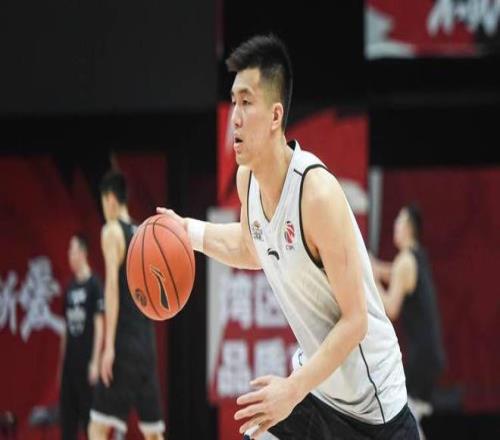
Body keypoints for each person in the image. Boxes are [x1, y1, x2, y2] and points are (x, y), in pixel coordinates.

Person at [157, 34, 418, 439]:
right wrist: (185, 231)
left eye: (247, 103)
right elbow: (250, 246)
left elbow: (356, 322)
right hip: (318, 389)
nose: (234, 117)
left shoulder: (317, 195)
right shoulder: (247, 181)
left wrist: (292, 390)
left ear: (275, 115)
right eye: (233, 102)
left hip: (373, 409)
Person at [88, 171, 165, 440]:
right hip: (147, 345)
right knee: (153, 432)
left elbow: (111, 286)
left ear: (110, 198)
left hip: (123, 343)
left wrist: (108, 346)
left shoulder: (111, 231)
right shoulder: (142, 232)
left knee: (97, 427)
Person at [371, 204, 445, 439]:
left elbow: (391, 308)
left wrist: (371, 279)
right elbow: (392, 272)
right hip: (429, 355)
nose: (395, 225)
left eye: (399, 221)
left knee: (405, 416)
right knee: (408, 417)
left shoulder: (405, 260)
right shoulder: (416, 256)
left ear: (408, 228)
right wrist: (374, 267)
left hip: (420, 357)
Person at [59, 234, 104, 440]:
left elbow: (99, 324)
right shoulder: (69, 287)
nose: (70, 255)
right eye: (69, 251)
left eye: (73, 250)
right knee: (67, 426)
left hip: (87, 366)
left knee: (90, 424)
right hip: (70, 366)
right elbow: (65, 328)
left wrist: (95, 362)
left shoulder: (94, 284)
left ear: (83, 253)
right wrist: (61, 367)